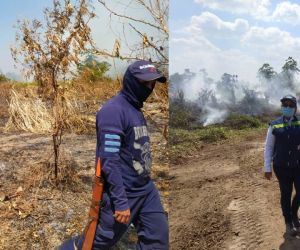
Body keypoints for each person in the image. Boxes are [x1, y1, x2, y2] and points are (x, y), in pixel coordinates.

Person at [59, 60, 169, 249]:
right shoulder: (113, 111)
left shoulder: (135, 109)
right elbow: (109, 161)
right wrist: (120, 202)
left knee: (158, 239)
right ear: (131, 81)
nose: (150, 88)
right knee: (96, 243)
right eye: (145, 83)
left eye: (153, 83)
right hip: (123, 192)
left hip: (145, 189)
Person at [264, 94, 300, 237]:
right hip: (282, 166)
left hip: (298, 165)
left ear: (295, 108)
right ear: (281, 107)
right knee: (285, 193)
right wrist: (267, 167)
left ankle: (293, 213)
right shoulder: (274, 124)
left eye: (291, 105)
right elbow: (268, 147)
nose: (287, 107)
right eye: (285, 105)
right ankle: (289, 222)